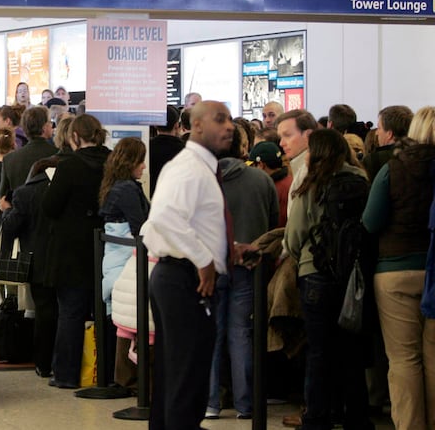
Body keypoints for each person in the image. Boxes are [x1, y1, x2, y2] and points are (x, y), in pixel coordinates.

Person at [140, 100, 237, 430]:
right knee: (187, 380)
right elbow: (163, 218)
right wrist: (204, 259)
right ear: (196, 126)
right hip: (184, 278)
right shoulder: (189, 167)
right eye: (219, 119)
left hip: (179, 275)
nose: (229, 126)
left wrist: (228, 249)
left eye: (230, 120)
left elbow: (191, 222)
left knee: (176, 376)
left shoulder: (200, 168)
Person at [284, 129, 373, 430]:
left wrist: (301, 259)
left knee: (319, 352)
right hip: (353, 276)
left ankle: (317, 418)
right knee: (351, 350)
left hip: (316, 274)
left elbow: (294, 235)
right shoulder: (362, 181)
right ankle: (357, 418)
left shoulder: (311, 184)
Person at [362, 106, 435, 430]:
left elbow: (370, 221)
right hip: (432, 269)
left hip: (394, 270)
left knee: (404, 359)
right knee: (433, 359)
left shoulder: (393, 169)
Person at [206, 125, 278, 421]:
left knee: (211, 335)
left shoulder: (203, 181)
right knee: (241, 334)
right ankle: (246, 404)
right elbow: (273, 224)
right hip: (250, 268)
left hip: (209, 267)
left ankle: (210, 402)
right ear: (243, 146)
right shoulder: (262, 180)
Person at [41, 113, 111, 389]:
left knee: (71, 312)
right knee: (104, 311)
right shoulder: (112, 162)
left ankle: (67, 374)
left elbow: (50, 206)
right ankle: (105, 373)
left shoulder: (69, 167)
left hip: (71, 248)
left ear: (74, 136)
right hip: (108, 246)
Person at [98, 136, 150, 391]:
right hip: (125, 262)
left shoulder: (114, 186)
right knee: (125, 320)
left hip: (113, 259)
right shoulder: (128, 189)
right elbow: (140, 227)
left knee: (115, 316)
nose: (144, 167)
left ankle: (112, 375)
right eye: (141, 161)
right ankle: (123, 377)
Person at [362, 105, 413, 182]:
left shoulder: (373, 161)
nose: (376, 133)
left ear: (389, 134)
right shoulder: (419, 158)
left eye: (379, 128)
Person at [149, 104, 184, 194]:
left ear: (156, 125)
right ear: (176, 125)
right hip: (177, 197)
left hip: (153, 196)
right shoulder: (185, 150)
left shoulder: (147, 147)